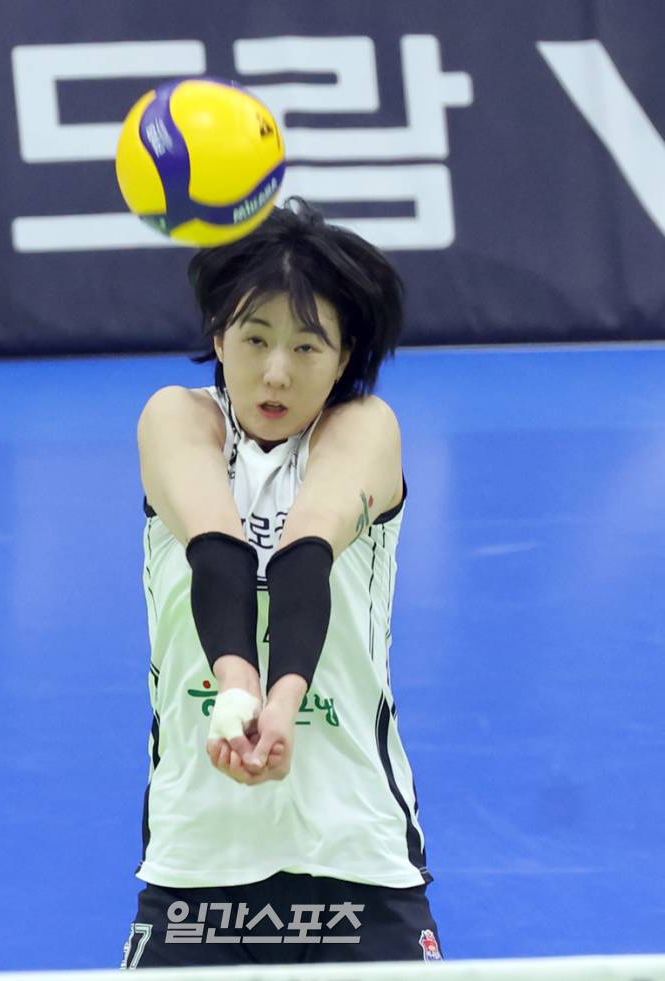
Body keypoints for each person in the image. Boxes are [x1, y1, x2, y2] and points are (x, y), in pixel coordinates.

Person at [121, 198, 443, 969]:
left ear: (344, 353)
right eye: (255, 337)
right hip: (197, 860)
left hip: (358, 856)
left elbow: (304, 554)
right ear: (218, 336)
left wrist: (283, 705)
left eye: (306, 345)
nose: (275, 371)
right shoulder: (176, 420)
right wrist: (239, 690)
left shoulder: (365, 429)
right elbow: (218, 551)